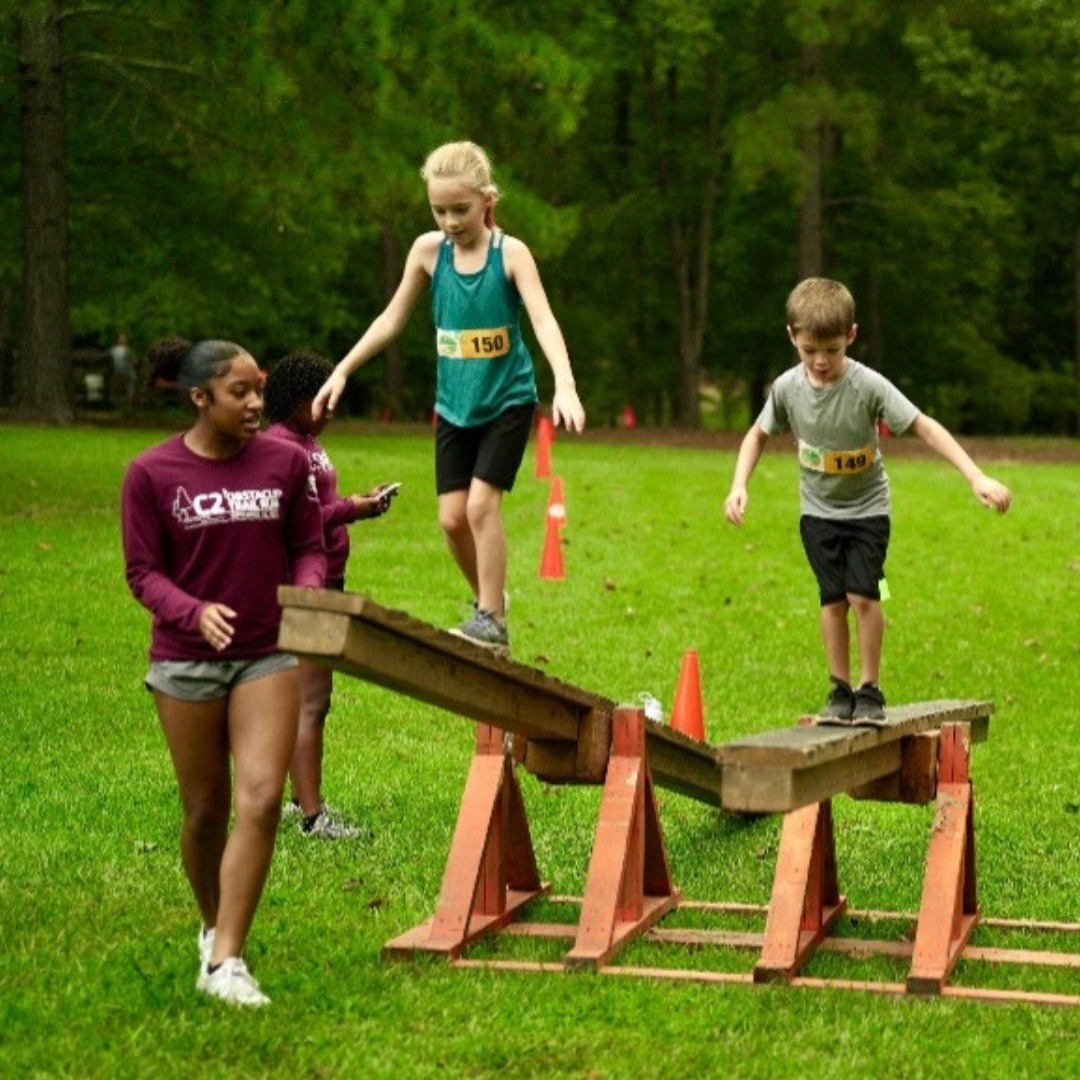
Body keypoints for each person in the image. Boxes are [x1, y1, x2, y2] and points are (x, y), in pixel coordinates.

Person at [311, 140, 586, 655]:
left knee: (482, 506)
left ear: (487, 200)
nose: (450, 221)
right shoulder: (426, 252)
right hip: (455, 407)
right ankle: (489, 600)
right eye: (439, 210)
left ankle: (491, 620)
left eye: (460, 209)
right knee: (451, 519)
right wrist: (343, 370)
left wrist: (564, 384)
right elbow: (391, 319)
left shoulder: (511, 254)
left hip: (507, 400)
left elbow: (545, 321)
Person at [121, 337, 326, 1007]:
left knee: (262, 797)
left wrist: (308, 591)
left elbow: (307, 544)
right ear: (199, 398)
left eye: (258, 390)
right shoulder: (150, 474)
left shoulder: (284, 461)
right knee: (206, 811)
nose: (256, 403)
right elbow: (142, 572)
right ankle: (211, 926)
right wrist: (191, 610)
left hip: (268, 653)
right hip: (185, 663)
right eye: (240, 393)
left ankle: (226, 961)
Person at [724, 278, 1012, 723]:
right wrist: (739, 484)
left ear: (851, 337)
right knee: (832, 599)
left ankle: (870, 688)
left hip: (868, 511)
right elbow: (757, 434)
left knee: (865, 594)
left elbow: (923, 425)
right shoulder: (786, 388)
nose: (820, 361)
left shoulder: (867, 386)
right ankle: (839, 690)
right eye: (809, 350)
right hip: (817, 513)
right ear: (792, 338)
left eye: (833, 350)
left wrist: (975, 476)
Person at [263, 349, 398, 839]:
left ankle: (292, 801)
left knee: (308, 697)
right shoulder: (282, 447)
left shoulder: (307, 441)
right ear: (296, 400)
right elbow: (295, 522)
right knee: (310, 700)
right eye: (322, 399)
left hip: (327, 575)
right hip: (304, 582)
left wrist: (360, 501)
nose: (331, 408)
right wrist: (355, 510)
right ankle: (312, 817)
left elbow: (319, 501)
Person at [110, 334, 138, 410]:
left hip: (117, 373)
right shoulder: (127, 350)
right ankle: (130, 407)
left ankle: (118, 405)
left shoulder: (113, 350)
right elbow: (134, 361)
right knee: (131, 386)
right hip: (128, 372)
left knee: (117, 387)